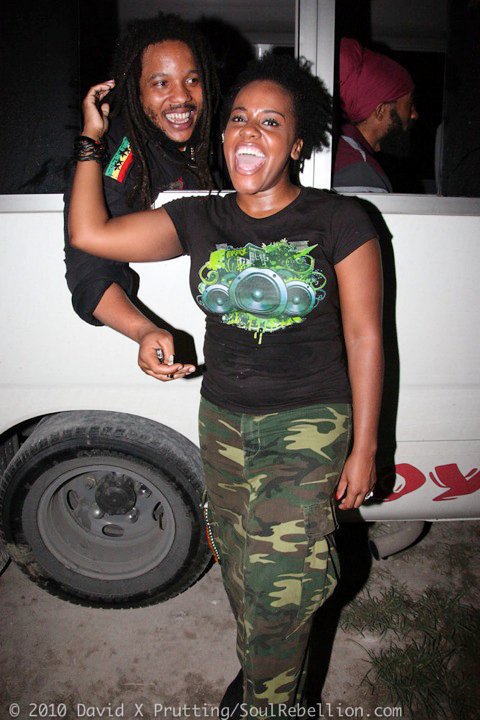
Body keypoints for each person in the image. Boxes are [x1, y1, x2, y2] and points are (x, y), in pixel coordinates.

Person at [68, 53, 384, 716]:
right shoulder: (201, 218)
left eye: (270, 122)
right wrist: (92, 140)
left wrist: (364, 447)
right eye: (239, 118)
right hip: (222, 422)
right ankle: (274, 671)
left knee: (279, 588)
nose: (249, 132)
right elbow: (91, 234)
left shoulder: (342, 221)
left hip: (307, 423)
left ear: (296, 145)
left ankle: (270, 700)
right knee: (242, 568)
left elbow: (365, 338)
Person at [64, 13, 218, 373]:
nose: (182, 96)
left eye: (192, 80)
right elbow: (89, 266)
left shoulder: (217, 139)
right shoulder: (118, 151)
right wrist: (143, 331)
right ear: (135, 90)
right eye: (161, 83)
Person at [333, 37, 418, 193]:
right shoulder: (359, 170)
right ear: (380, 111)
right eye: (409, 105)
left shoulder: (342, 151)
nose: (414, 115)